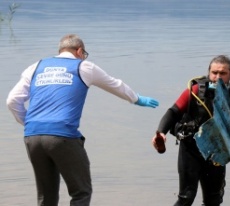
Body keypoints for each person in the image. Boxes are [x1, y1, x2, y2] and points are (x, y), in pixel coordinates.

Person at [6, 34, 159, 206]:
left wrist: (28, 123)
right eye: (84, 54)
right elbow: (114, 84)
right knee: (81, 192)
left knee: (46, 197)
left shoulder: (35, 67)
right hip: (62, 136)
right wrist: (137, 99)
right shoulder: (83, 66)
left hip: (32, 136)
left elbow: (12, 100)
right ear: (79, 51)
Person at [152, 55, 230, 206]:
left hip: (217, 151)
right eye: (214, 73)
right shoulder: (195, 90)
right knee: (186, 198)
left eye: (223, 73)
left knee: (213, 200)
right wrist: (161, 131)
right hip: (191, 150)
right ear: (209, 72)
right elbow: (173, 112)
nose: (217, 77)